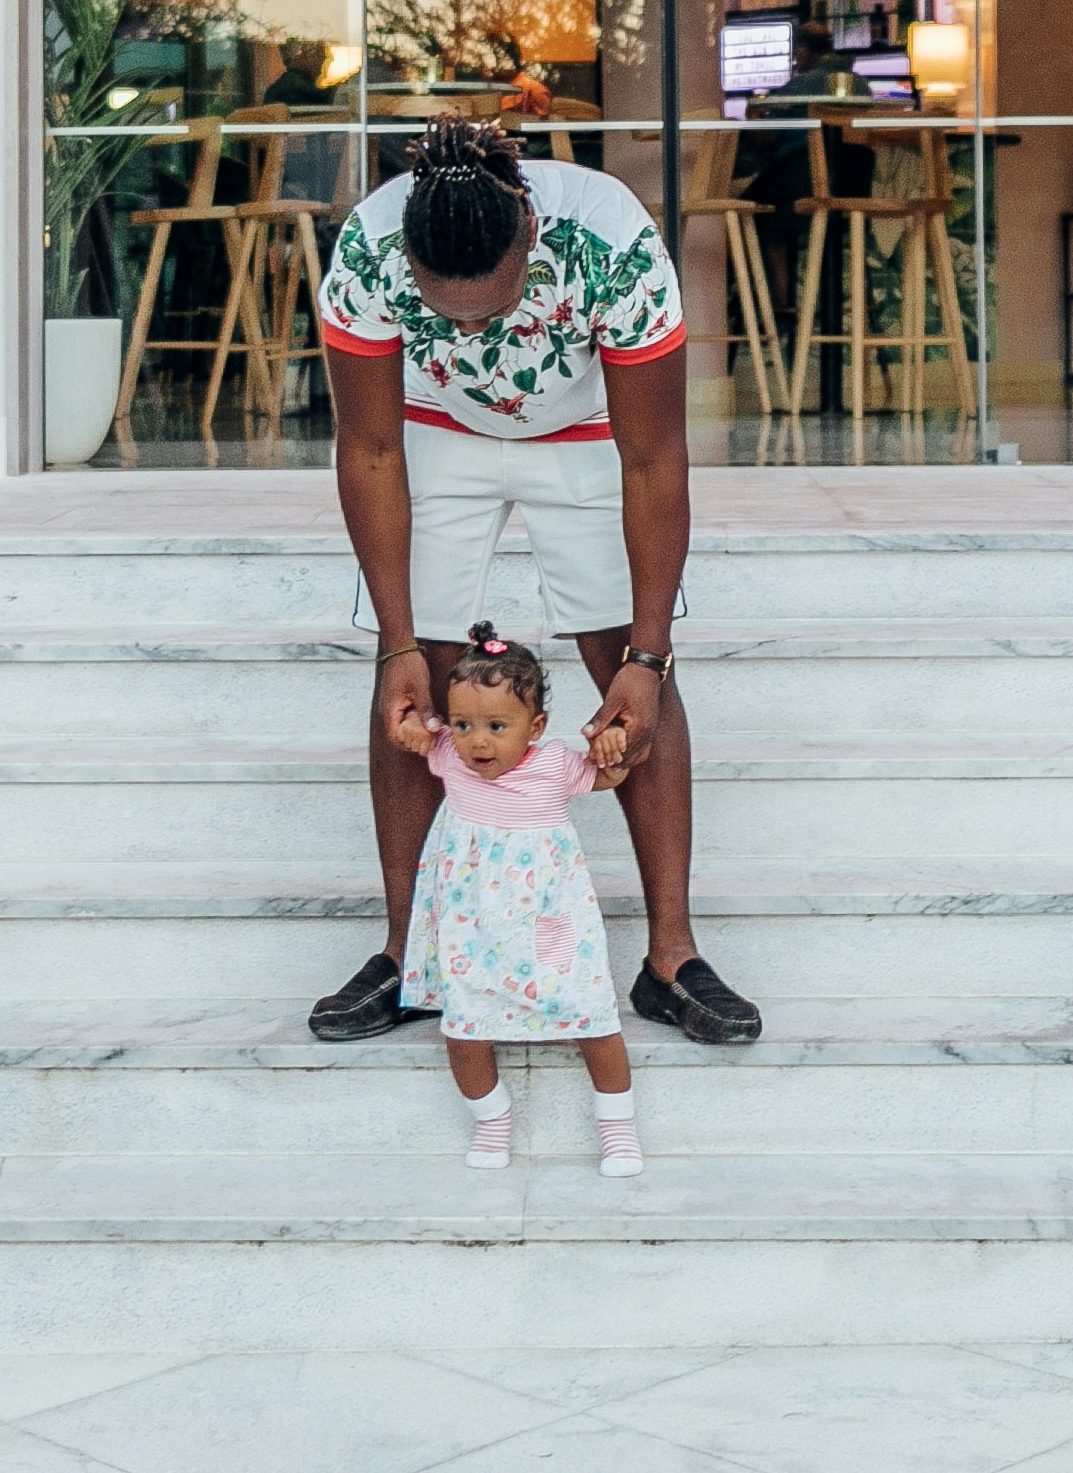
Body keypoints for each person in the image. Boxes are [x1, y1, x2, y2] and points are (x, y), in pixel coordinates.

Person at [304, 116, 763, 1051]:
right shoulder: (367, 248)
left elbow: (655, 460)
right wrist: (395, 639)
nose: (469, 328)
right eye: (449, 312)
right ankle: (410, 957)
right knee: (418, 674)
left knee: (629, 671)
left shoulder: (610, 239)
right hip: (432, 430)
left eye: (489, 308)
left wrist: (648, 655)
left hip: (589, 432)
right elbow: (372, 445)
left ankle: (670, 958)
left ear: (529, 235)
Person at [391, 627, 641, 1173]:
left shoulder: (554, 765)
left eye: (497, 727)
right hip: (472, 926)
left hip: (546, 918)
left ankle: (618, 1127)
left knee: (592, 1016)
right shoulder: (449, 757)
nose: (478, 742)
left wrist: (613, 747)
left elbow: (611, 776)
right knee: (463, 1028)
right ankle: (492, 1119)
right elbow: (414, 736)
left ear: (537, 727)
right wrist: (415, 727)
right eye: (463, 724)